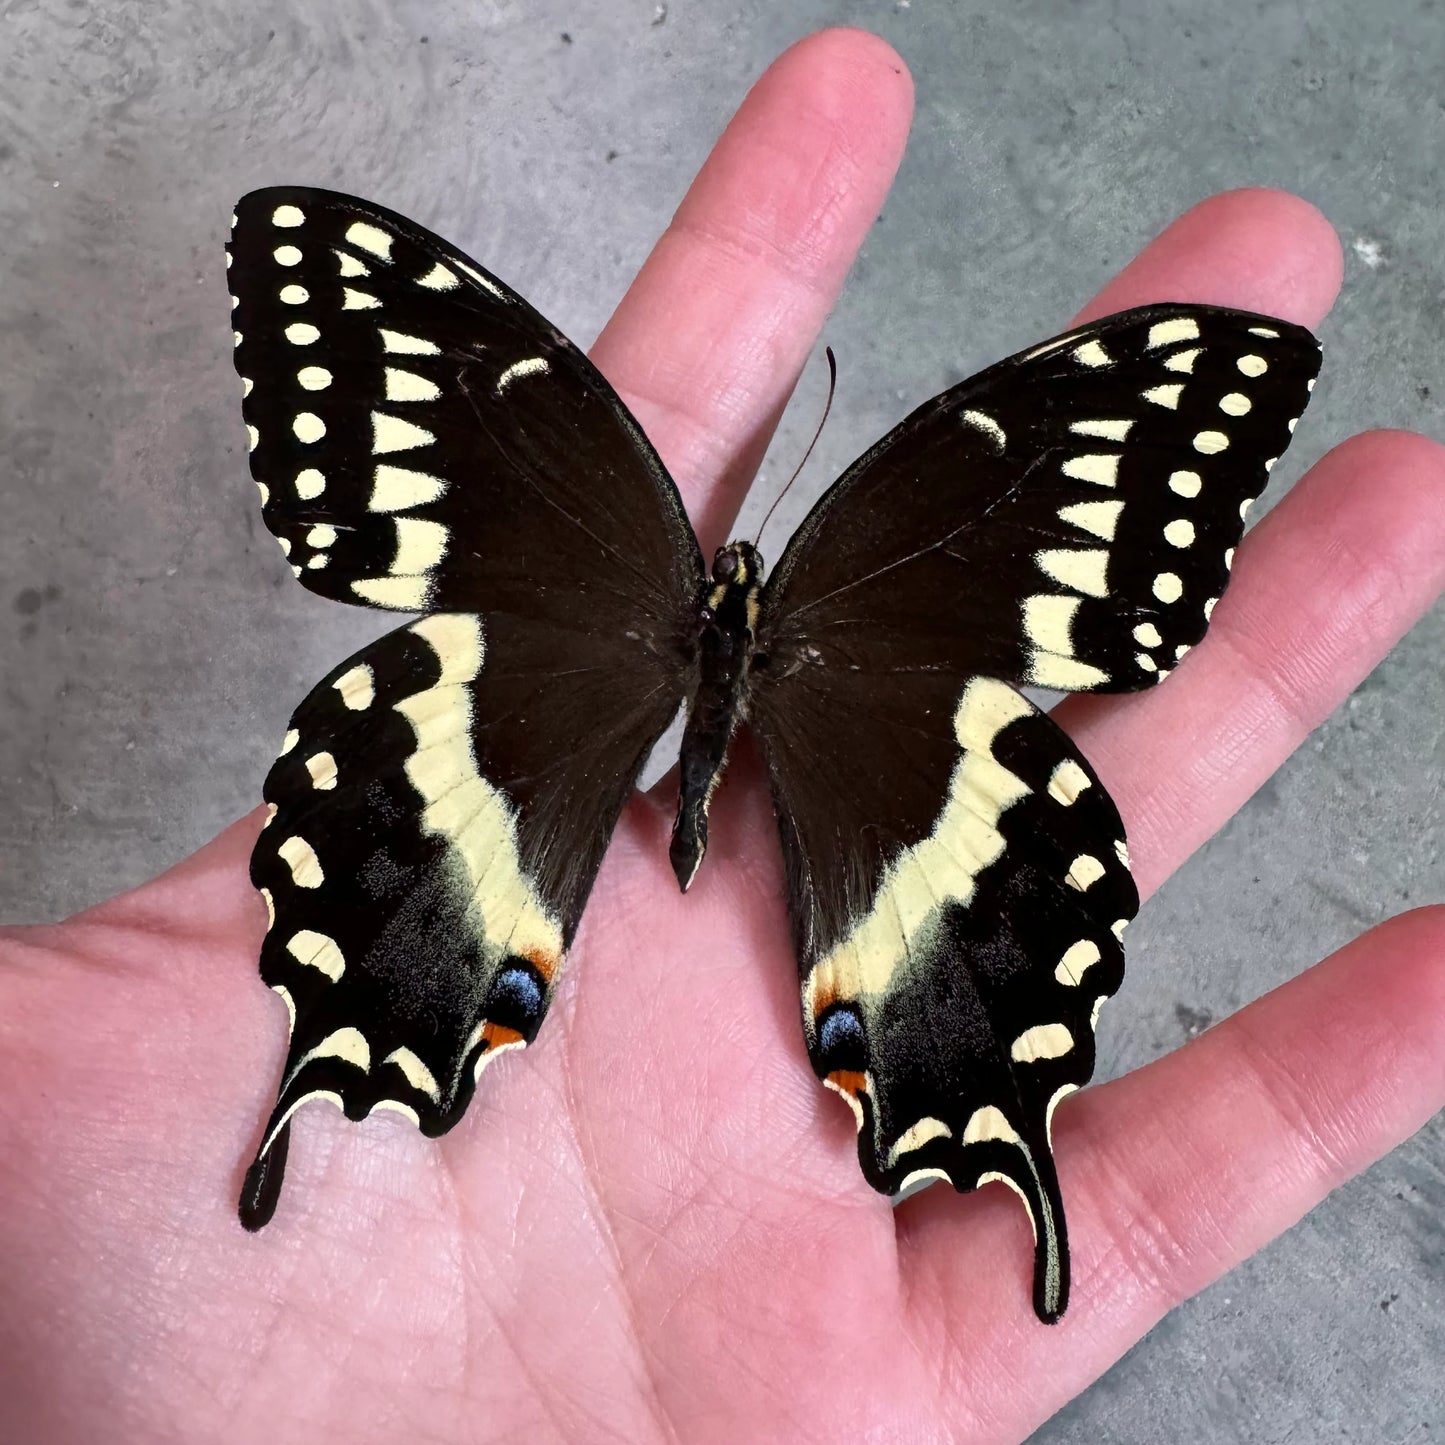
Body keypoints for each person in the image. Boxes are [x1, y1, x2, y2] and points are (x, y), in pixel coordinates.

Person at [2, 26, 1442, 1444]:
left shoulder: (625, 527)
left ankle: (893, 1060)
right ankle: (379, 1032)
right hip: (635, 738)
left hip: (629, 727)